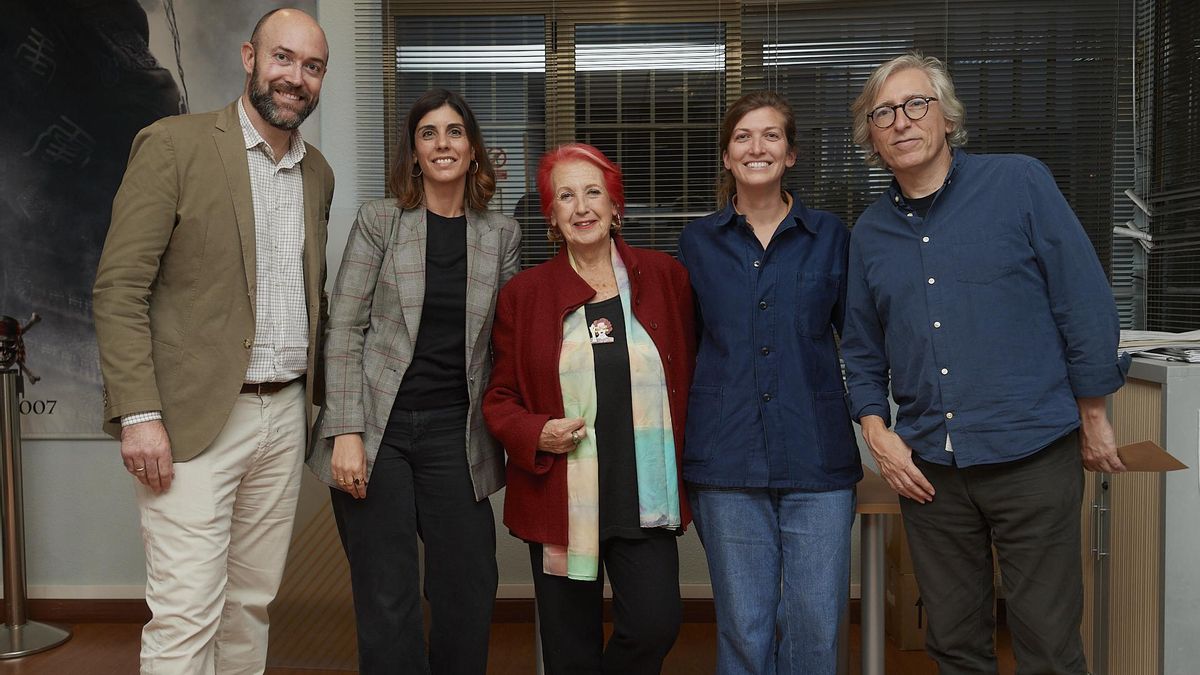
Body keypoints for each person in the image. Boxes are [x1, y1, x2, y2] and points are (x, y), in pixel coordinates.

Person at [840, 52, 1128, 675]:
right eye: (883, 114)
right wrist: (876, 432)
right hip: (930, 471)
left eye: (916, 104)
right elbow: (861, 347)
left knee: (1048, 642)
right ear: (871, 138)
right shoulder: (869, 233)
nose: (901, 122)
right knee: (953, 642)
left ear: (946, 117)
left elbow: (1081, 298)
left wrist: (1095, 411)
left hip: (1033, 454)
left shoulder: (1019, 183)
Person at [92, 8, 333, 674]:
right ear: (250, 57)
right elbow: (119, 289)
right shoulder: (174, 144)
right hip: (191, 419)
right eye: (283, 58)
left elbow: (313, 298)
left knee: (249, 605)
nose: (296, 78)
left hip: (283, 414)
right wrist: (140, 415)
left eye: (312, 66)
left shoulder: (319, 175)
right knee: (187, 611)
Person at [307, 88, 519, 674]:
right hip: (379, 430)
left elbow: (505, 342)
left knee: (468, 585)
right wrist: (346, 431)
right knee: (386, 594)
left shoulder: (501, 235)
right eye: (429, 133)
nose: (442, 143)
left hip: (457, 432)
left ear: (473, 149)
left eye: (454, 131)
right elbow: (344, 329)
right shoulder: (380, 221)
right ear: (414, 150)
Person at [484, 143, 695, 674]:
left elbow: (695, 371)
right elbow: (500, 398)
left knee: (655, 623)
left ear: (615, 205)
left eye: (593, 192)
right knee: (569, 648)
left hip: (644, 495)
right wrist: (536, 432)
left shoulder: (666, 278)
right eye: (565, 196)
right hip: (561, 497)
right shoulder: (524, 295)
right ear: (551, 216)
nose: (581, 207)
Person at [676, 90, 862, 674]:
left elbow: (857, 343)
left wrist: (877, 421)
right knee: (745, 627)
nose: (757, 147)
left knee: (816, 627)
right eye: (743, 138)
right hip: (726, 458)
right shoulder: (696, 242)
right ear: (727, 157)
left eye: (771, 136)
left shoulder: (831, 236)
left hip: (818, 457)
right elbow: (682, 348)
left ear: (791, 154)